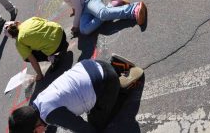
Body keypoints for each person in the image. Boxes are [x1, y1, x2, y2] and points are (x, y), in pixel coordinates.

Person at [8, 57, 144, 132]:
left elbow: (85, 129)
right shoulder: (37, 103)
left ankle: (123, 86)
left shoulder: (52, 115)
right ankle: (115, 65)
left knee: (98, 125)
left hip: (106, 83)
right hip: (91, 65)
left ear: (37, 129)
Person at [3, 17, 69, 81]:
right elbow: (46, 23)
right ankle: (64, 44)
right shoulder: (30, 20)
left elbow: (32, 60)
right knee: (41, 37)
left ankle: (54, 59)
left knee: (27, 57)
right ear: (17, 22)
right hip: (62, 33)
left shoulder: (19, 42)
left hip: (56, 46)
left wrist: (39, 75)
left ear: (11, 37)